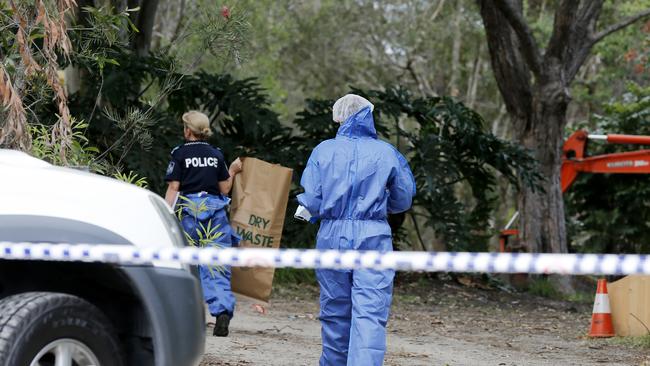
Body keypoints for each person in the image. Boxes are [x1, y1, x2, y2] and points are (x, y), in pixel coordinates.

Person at [297, 94, 416, 365]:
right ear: (368, 116)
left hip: (331, 235)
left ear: (339, 117)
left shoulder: (323, 150)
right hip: (373, 236)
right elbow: (403, 199)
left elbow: (312, 200)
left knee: (335, 310)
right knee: (370, 313)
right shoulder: (386, 152)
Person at [164, 110, 242, 337]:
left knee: (186, 265)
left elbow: (173, 188)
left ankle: (186, 317)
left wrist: (166, 214)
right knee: (216, 264)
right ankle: (222, 312)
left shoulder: (179, 154)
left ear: (187, 130)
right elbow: (225, 189)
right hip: (215, 215)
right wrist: (234, 171)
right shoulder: (215, 154)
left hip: (189, 214)